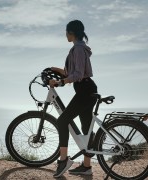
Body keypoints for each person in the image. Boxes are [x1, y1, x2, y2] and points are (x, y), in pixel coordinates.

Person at [49, 20, 98, 178]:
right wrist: (53, 70)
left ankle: (63, 160)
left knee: (62, 121)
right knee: (86, 128)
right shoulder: (78, 48)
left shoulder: (77, 49)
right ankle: (86, 166)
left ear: (71, 33)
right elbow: (71, 72)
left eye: (66, 32)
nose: (65, 35)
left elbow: (77, 75)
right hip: (87, 89)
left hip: (85, 90)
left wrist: (61, 82)